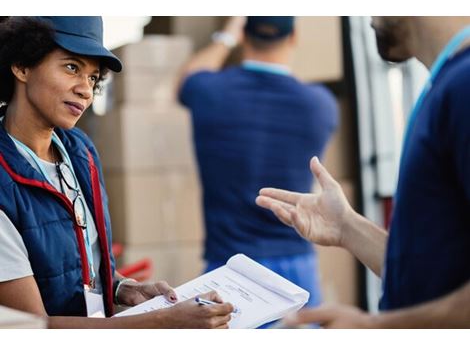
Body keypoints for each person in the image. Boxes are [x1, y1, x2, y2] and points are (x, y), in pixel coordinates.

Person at [0, 16, 233, 329]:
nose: (85, 90)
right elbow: (33, 328)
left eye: (93, 76)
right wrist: (164, 322)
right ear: (22, 66)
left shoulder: (79, 150)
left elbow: (78, 269)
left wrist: (123, 287)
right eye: (71, 67)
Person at [256, 16, 470, 328]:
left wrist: (374, 328)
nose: (368, 16)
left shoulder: (464, 86)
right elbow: (431, 276)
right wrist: (347, 226)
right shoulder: (449, 84)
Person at [177, 16, 338, 311]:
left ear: (243, 34)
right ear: (294, 37)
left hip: (229, 267)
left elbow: (188, 77)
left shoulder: (209, 92)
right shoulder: (320, 105)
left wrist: (226, 36)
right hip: (296, 267)